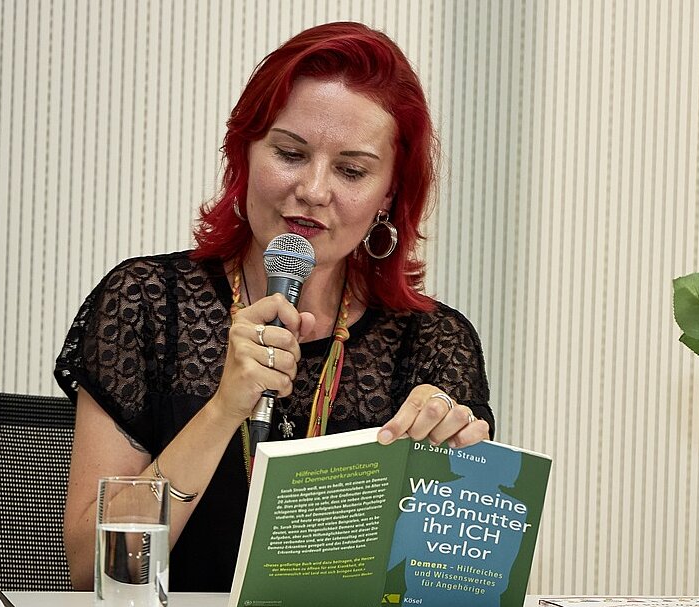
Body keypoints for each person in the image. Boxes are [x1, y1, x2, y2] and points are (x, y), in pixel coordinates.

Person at [54, 22, 493, 592]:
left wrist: (458, 478)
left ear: (390, 191)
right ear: (244, 154)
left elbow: (453, 587)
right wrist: (222, 410)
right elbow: (94, 570)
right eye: (290, 153)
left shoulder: (432, 342)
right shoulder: (147, 302)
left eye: (352, 170)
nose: (312, 189)